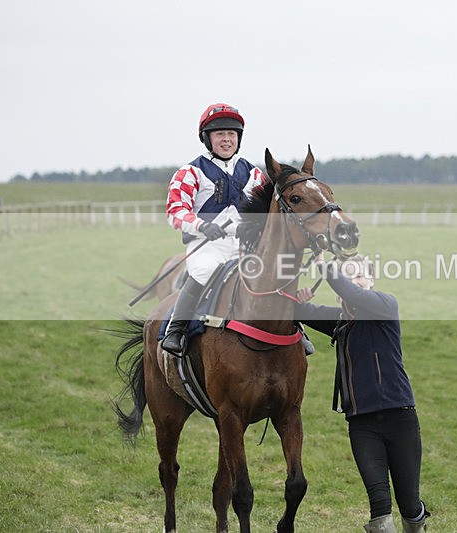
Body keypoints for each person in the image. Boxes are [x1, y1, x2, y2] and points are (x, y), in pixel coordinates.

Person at [295, 255, 430, 533]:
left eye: (359, 276)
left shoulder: (385, 306)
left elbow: (349, 292)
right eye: (349, 275)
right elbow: (296, 312)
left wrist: (324, 265)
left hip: (400, 418)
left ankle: (418, 521)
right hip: (362, 425)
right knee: (380, 509)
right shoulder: (340, 322)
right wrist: (298, 301)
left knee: (409, 505)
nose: (354, 281)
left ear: (371, 281)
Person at [162, 103, 271, 355]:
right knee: (205, 269)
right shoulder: (190, 172)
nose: (226, 140)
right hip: (208, 245)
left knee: (271, 275)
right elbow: (175, 211)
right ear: (207, 138)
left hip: (244, 246)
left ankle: (294, 327)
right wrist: (202, 226)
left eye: (231, 134)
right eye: (220, 134)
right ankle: (176, 330)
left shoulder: (254, 174)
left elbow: (267, 212)